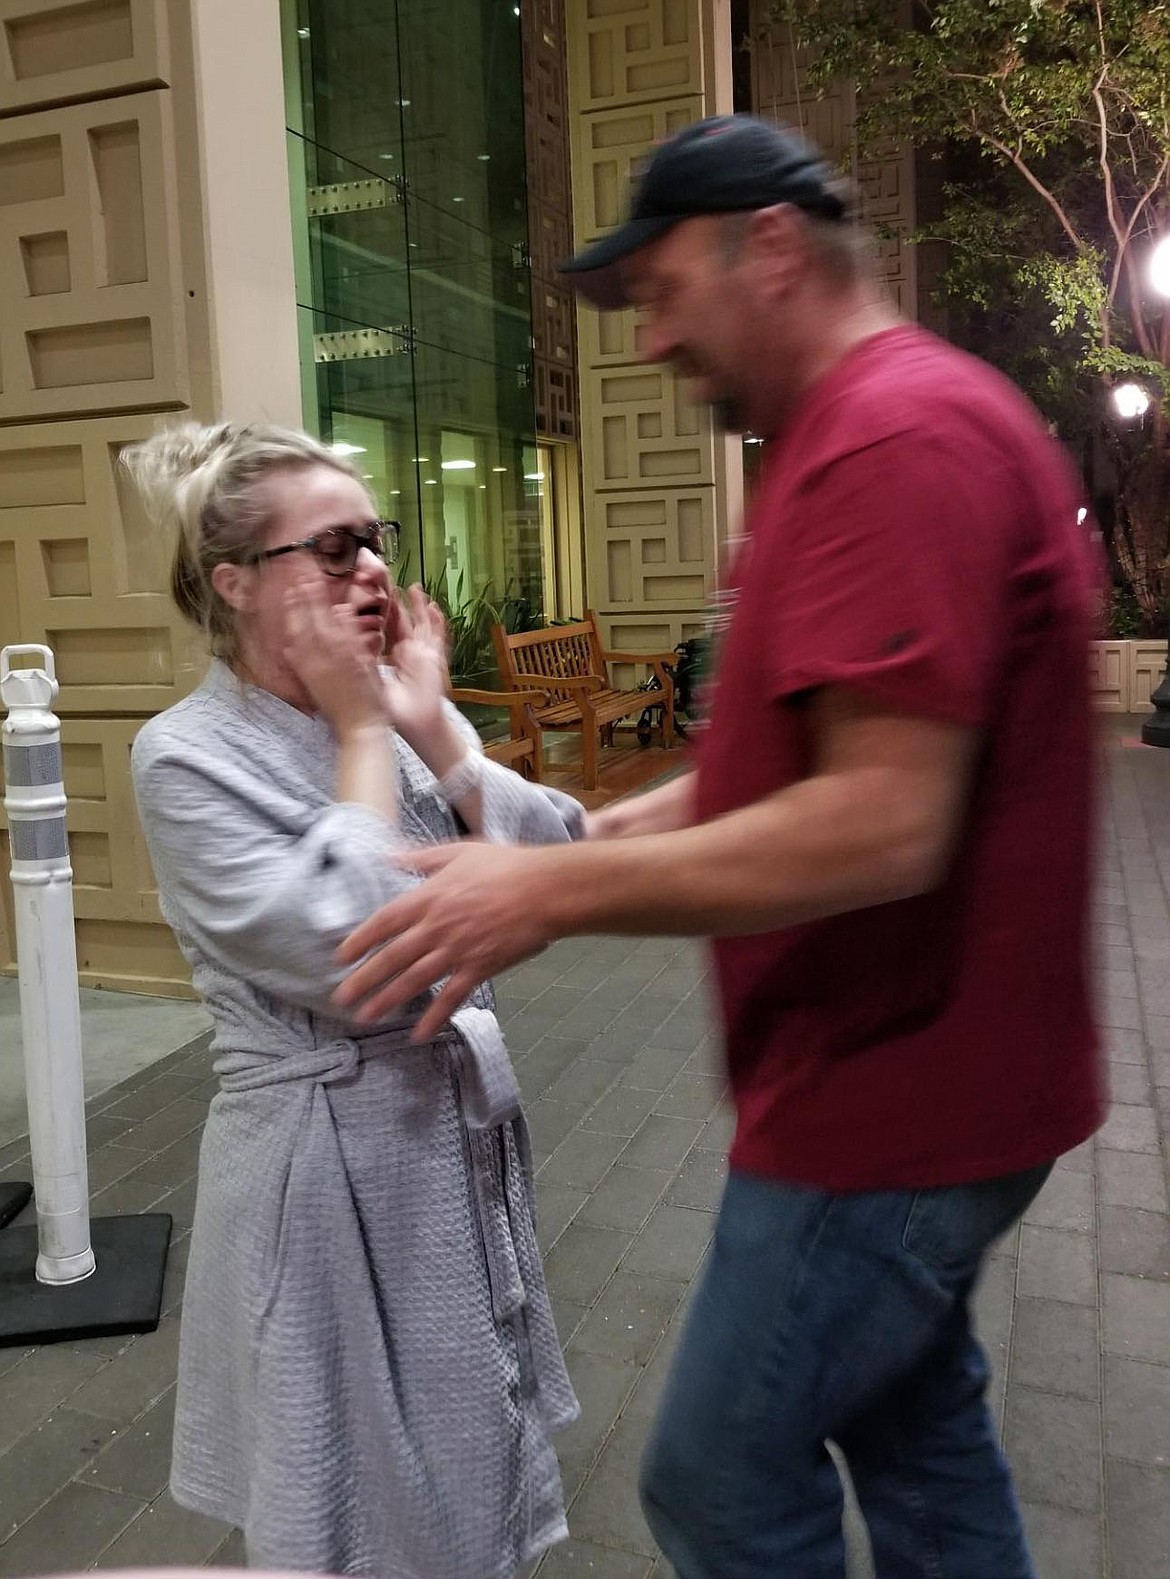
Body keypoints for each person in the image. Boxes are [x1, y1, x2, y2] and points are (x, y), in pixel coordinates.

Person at [330, 115, 1105, 1579]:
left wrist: (549, 886)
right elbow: (816, 755)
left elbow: (881, 819)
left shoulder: (895, 434)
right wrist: (618, 826)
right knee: (915, 1437)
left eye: (659, 290)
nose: (645, 341)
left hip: (891, 1105)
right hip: (922, 1084)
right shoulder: (851, 435)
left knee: (717, 1476)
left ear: (767, 246)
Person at [125, 422, 581, 1579]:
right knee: (351, 1500)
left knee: (470, 1454)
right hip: (323, 1179)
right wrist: (370, 734)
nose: (373, 567)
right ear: (235, 584)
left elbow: (556, 860)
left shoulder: (382, 711)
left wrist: (431, 726)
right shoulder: (186, 754)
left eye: (374, 539)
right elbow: (360, 949)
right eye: (333, 549)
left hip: (439, 1144)